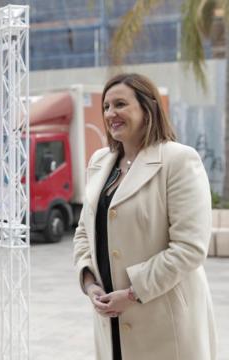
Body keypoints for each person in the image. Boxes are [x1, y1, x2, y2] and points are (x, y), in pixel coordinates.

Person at [73, 73, 217, 359]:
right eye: (106, 106)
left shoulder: (179, 160)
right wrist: (89, 284)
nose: (111, 113)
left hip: (164, 322)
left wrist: (131, 294)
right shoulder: (99, 162)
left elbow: (190, 248)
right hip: (110, 322)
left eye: (120, 104)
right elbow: (83, 232)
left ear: (147, 107)